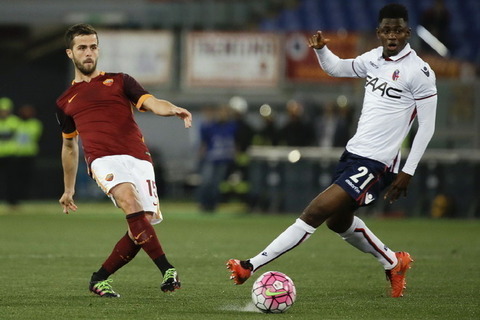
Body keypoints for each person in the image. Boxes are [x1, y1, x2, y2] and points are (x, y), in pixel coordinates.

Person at [227, 3, 437, 298]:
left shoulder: (420, 72)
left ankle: (250, 265)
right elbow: (338, 68)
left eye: (399, 29)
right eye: (387, 29)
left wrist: (408, 172)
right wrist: (322, 51)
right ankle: (393, 261)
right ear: (379, 33)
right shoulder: (374, 59)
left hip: (378, 162)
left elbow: (427, 127)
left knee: (314, 212)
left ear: (408, 32)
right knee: (338, 221)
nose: (393, 35)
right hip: (353, 154)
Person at [56, 24, 192, 297]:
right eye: (82, 48)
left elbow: (152, 102)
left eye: (93, 47)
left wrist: (171, 109)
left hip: (139, 158)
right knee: (130, 202)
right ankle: (167, 269)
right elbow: (70, 145)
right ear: (70, 53)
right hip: (103, 159)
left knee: (143, 222)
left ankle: (100, 278)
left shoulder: (120, 81)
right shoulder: (65, 101)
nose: (89, 53)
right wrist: (68, 189)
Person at [197, 104, 236, 212]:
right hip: (211, 157)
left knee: (216, 184)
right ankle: (203, 203)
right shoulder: (212, 126)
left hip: (223, 159)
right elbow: (203, 138)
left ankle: (213, 205)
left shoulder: (231, 126)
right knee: (206, 181)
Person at [14, 104, 43, 203]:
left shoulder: (35, 124)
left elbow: (35, 135)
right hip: (17, 154)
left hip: (30, 154)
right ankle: (18, 197)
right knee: (16, 177)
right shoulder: (16, 123)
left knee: (29, 177)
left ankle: (28, 197)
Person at [0, 97, 20, 208]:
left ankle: (12, 202)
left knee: (11, 180)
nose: (4, 112)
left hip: (10, 155)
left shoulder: (14, 121)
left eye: (5, 110)